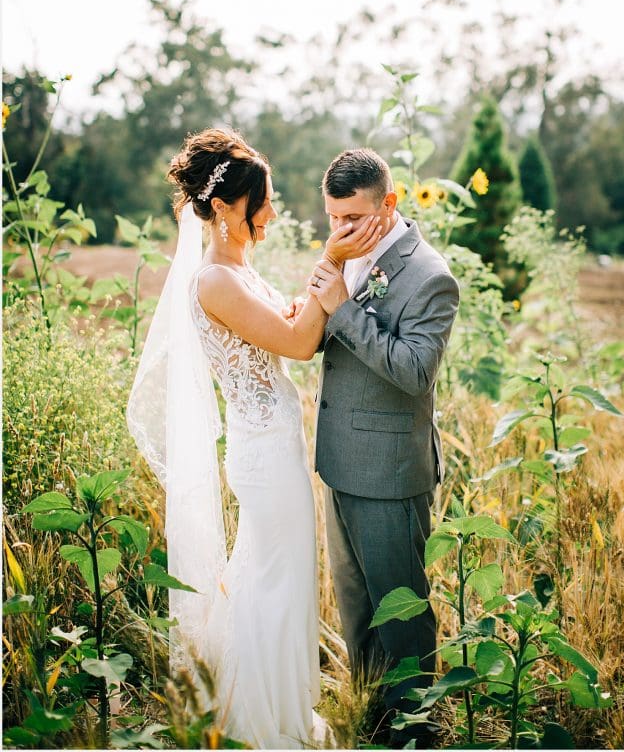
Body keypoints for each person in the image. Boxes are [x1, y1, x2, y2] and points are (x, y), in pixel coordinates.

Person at [126, 127, 380, 750]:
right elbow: (296, 342)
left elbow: (287, 329)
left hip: (278, 446)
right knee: (273, 578)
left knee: (277, 574)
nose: (270, 212)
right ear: (220, 209)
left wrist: (312, 300)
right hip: (263, 455)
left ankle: (269, 706)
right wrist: (332, 263)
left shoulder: (239, 267)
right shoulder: (214, 281)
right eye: (259, 203)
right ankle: (255, 721)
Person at [305, 148, 460, 747]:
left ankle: (417, 729)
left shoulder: (430, 276)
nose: (338, 231)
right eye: (331, 219)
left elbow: (416, 371)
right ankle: (372, 719)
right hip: (340, 463)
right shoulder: (345, 255)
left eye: (350, 219)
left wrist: (343, 308)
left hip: (392, 473)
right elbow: (316, 333)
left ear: (389, 204)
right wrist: (331, 274)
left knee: (401, 614)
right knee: (356, 610)